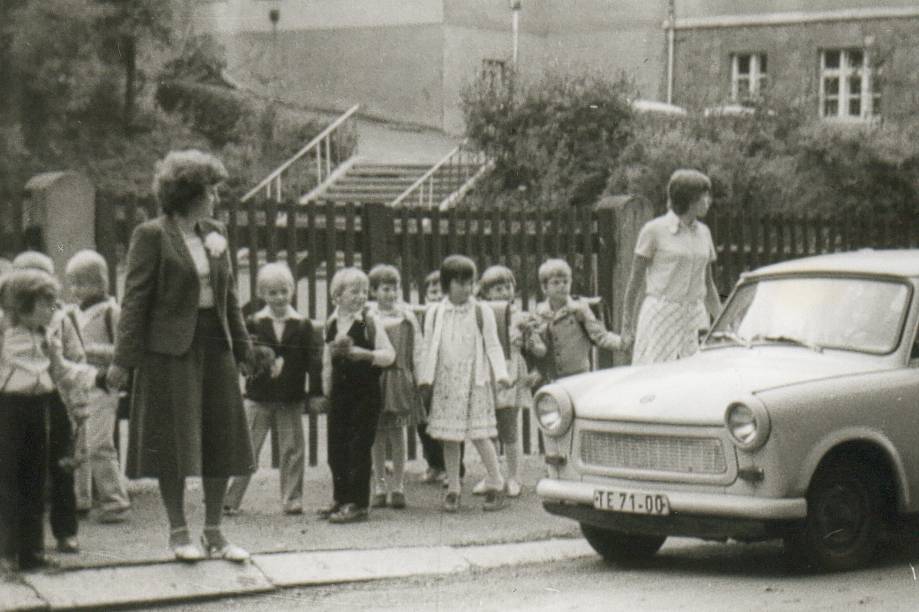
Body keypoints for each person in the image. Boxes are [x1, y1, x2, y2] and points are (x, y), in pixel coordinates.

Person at [106, 150, 255, 563]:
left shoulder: (216, 231)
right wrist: (122, 360)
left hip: (216, 346)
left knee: (220, 437)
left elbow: (230, 299)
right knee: (174, 442)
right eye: (210, 190)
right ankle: (178, 532)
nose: (216, 198)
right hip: (170, 353)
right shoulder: (151, 235)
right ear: (190, 193)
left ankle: (214, 532)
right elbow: (134, 301)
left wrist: (243, 349)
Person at [0, 269, 102, 572]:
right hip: (7, 409)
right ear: (24, 304)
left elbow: (62, 371)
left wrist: (98, 377)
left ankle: (31, 551)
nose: (52, 310)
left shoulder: (48, 336)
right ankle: (7, 552)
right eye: (46, 304)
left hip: (37, 408)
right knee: (7, 481)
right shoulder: (4, 334)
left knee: (34, 479)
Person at [418, 255, 510, 513]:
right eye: (461, 284)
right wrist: (425, 378)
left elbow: (492, 344)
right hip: (447, 383)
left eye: (470, 283)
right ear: (447, 285)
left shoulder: (482, 311)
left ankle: (495, 481)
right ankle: (453, 488)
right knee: (449, 437)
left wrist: (501, 373)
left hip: (474, 381)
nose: (468, 289)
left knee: (481, 435)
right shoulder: (435, 313)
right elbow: (428, 346)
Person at [225, 262, 317, 516]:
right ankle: (230, 498)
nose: (279, 297)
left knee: (292, 449)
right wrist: (246, 367)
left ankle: (292, 498)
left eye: (284, 291)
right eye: (272, 292)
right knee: (248, 447)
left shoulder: (302, 325)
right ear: (261, 294)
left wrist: (317, 391)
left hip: (291, 396)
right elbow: (242, 356)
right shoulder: (253, 323)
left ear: (293, 290)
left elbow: (313, 362)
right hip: (259, 396)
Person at [12, 251, 85, 554]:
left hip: (54, 396)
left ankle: (65, 530)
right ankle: (21, 537)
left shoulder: (60, 317)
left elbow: (75, 355)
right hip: (18, 399)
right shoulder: (7, 322)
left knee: (61, 465)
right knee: (20, 467)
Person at [621, 169, 722, 365]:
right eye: (704, 196)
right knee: (656, 375)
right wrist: (627, 326)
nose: (708, 201)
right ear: (688, 199)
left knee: (696, 374)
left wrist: (723, 323)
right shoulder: (654, 230)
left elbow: (708, 285)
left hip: (695, 316)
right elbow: (634, 282)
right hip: (661, 314)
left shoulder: (704, 232)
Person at [319, 267, 395, 524]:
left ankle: (358, 504)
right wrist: (326, 390)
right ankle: (340, 498)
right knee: (336, 448)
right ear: (337, 296)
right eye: (354, 291)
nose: (361, 296)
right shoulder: (330, 323)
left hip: (365, 394)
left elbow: (389, 355)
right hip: (340, 395)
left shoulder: (369, 322)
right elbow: (326, 361)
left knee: (358, 448)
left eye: (364, 291)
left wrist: (368, 355)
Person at [64, 249, 132, 524]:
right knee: (78, 443)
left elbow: (122, 350)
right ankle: (81, 498)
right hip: (80, 384)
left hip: (104, 386)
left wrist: (90, 350)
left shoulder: (111, 312)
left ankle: (116, 501)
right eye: (73, 283)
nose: (76, 289)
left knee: (99, 444)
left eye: (82, 283)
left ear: (102, 281)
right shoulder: (71, 313)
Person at [473, 265, 536, 499]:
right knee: (487, 428)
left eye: (508, 286)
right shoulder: (481, 314)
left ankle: (514, 476)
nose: (504, 291)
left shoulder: (521, 317)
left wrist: (529, 334)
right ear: (486, 293)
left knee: (509, 427)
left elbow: (535, 347)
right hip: (486, 372)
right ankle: (493, 474)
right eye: (498, 288)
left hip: (511, 374)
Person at [367, 264, 425, 510]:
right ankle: (380, 485)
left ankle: (398, 486)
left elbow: (418, 349)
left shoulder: (407, 317)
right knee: (377, 435)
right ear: (373, 291)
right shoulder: (368, 316)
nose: (390, 294)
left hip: (400, 378)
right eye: (385, 289)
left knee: (398, 434)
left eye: (394, 289)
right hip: (376, 380)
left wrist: (420, 379)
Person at [531, 258, 622, 383]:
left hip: (580, 376)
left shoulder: (579, 309)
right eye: (556, 283)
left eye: (565, 281)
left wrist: (622, 343)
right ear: (544, 288)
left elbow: (600, 335)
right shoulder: (540, 313)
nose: (562, 286)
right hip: (553, 378)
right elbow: (539, 347)